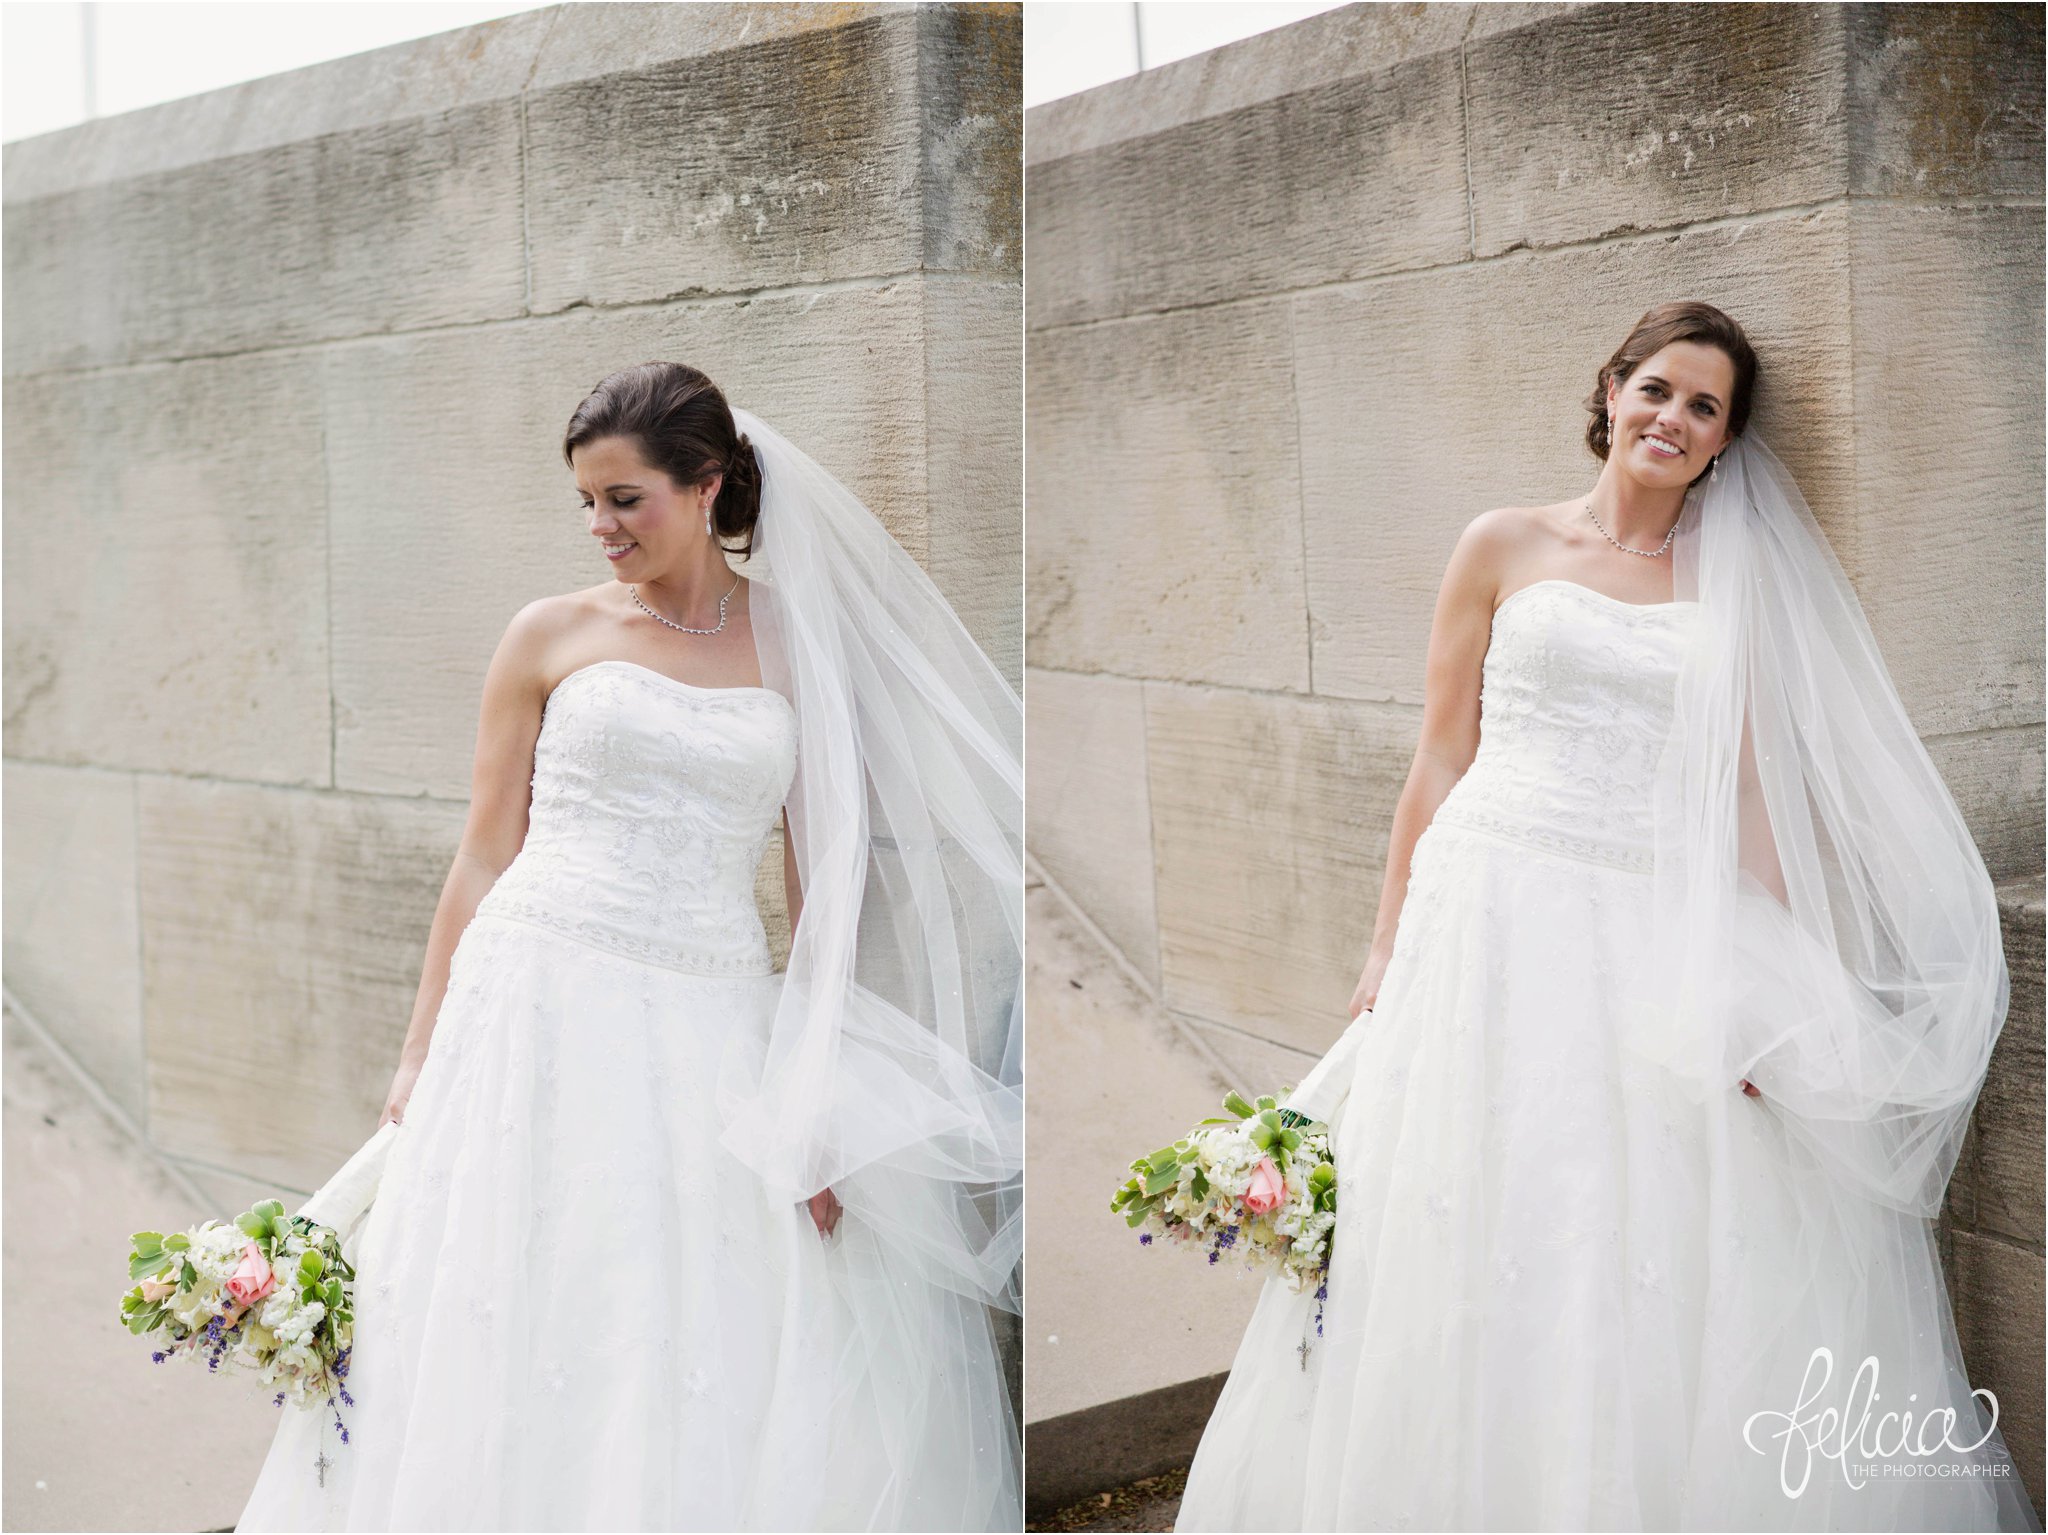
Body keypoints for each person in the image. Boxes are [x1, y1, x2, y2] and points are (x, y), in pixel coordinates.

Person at [1173, 302, 2040, 1531]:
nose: (1671, 420)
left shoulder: (1729, 581)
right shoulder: (1500, 542)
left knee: (1624, 1221)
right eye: (1656, 390)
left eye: (1704, 409)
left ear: (1724, 443)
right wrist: (1383, 941)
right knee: (1458, 1203)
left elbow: (1744, 794)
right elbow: (1436, 757)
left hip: (1641, 924)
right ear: (1610, 388)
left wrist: (1780, 985)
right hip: (1481, 915)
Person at [234, 363, 1022, 1531]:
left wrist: (814, 1089)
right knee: (509, 1283)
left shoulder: (801, 644)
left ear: (707, 486)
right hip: (532, 996)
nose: (601, 527)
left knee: (690, 1303)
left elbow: (823, 897)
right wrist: (416, 1050)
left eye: (626, 500)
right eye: (586, 504)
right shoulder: (547, 633)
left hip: (707, 1005)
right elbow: (483, 854)